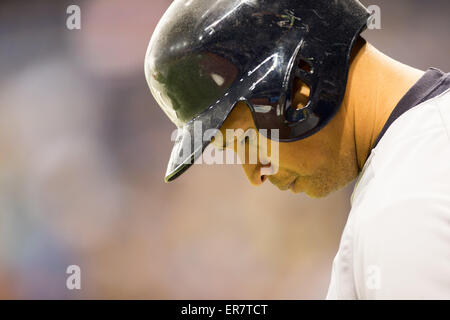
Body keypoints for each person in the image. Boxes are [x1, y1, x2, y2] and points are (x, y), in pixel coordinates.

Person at [145, 0, 450, 299]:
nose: (255, 174)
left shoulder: (406, 204)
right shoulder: (421, 156)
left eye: (247, 139)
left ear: (301, 85)